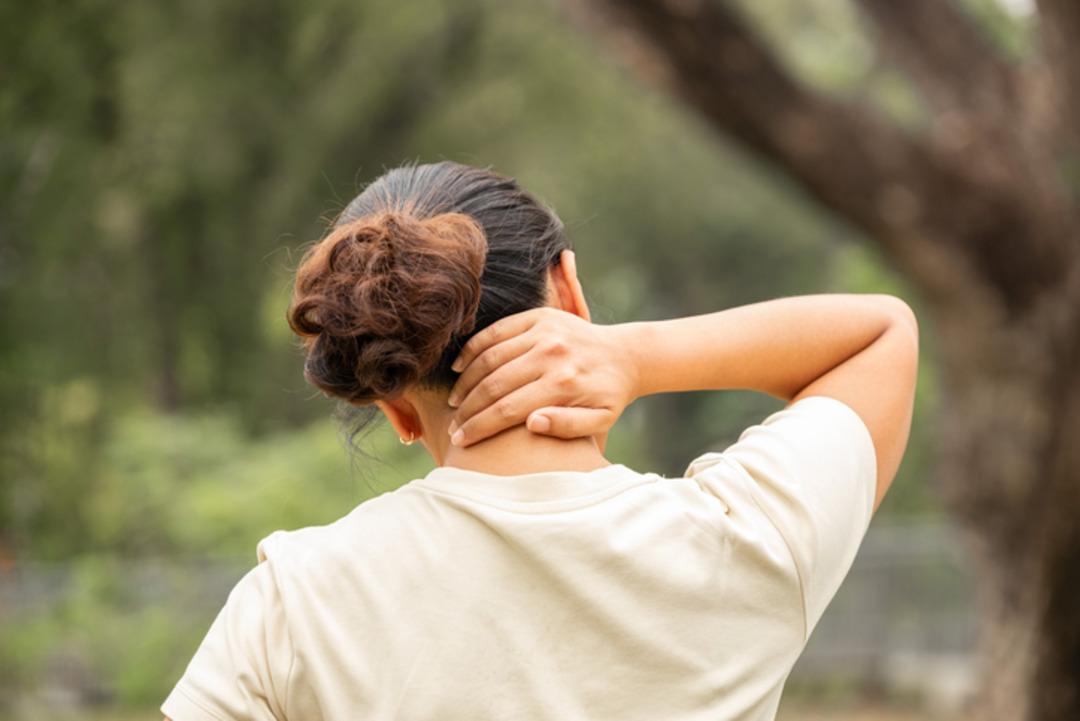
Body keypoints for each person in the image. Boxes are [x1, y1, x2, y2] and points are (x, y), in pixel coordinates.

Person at [161, 160, 918, 721]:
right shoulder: (747, 540)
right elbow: (882, 333)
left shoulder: (295, 599)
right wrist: (633, 355)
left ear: (392, 403)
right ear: (569, 292)